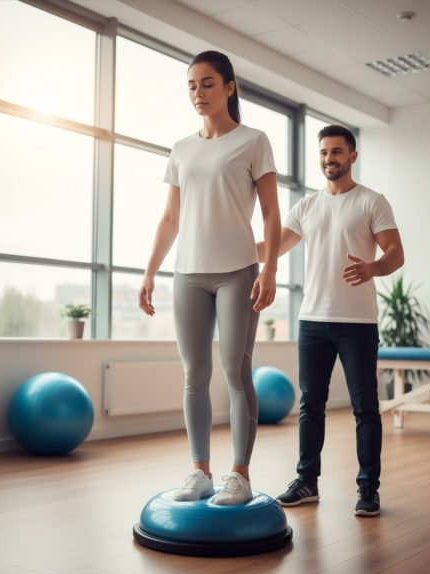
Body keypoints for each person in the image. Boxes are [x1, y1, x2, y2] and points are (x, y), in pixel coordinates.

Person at [139, 50, 281, 506]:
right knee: (194, 375)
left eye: (207, 83)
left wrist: (271, 269)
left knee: (236, 373)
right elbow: (170, 219)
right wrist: (150, 271)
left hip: (239, 271)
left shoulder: (253, 141)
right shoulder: (182, 149)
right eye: (192, 85)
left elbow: (272, 213)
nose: (197, 93)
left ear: (229, 87)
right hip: (188, 274)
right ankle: (200, 471)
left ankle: (240, 474)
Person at [259, 125, 403, 516]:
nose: (329, 158)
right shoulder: (306, 207)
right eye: (323, 152)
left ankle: (368, 488)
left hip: (357, 322)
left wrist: (372, 268)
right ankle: (307, 482)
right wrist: (229, 248)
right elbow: (272, 248)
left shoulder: (372, 202)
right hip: (312, 320)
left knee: (365, 407)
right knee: (311, 405)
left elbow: (395, 253)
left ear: (352, 156)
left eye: (337, 151)